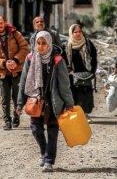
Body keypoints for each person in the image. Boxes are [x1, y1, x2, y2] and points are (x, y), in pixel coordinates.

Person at [16, 31, 74, 172]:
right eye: (38, 43)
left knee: (53, 130)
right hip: (36, 99)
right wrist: (19, 103)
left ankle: (49, 160)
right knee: (36, 128)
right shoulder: (30, 58)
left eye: (44, 43)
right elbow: (23, 82)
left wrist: (69, 103)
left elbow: (64, 84)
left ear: (49, 43)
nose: (40, 47)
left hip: (53, 100)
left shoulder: (57, 60)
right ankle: (43, 151)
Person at [0, 16, 30, 130]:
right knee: (5, 98)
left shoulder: (15, 34)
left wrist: (16, 60)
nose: (0, 26)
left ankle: (16, 116)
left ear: (5, 23)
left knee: (17, 97)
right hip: (2, 73)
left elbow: (25, 48)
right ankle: (7, 121)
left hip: (17, 71)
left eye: (1, 23)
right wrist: (4, 63)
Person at [65, 23, 98, 117]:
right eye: (75, 32)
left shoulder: (87, 43)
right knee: (74, 94)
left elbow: (94, 58)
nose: (78, 34)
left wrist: (93, 71)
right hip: (72, 74)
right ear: (72, 33)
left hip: (86, 74)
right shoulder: (67, 45)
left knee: (86, 93)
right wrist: (68, 71)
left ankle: (86, 113)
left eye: (80, 31)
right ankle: (77, 114)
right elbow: (65, 60)